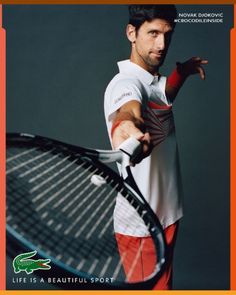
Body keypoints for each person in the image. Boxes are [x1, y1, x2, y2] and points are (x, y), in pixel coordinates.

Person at [104, 5, 208, 290]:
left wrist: (182, 73)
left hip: (167, 215)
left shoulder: (150, 82)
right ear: (131, 33)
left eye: (167, 35)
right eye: (152, 34)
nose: (162, 45)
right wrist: (130, 132)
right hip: (142, 226)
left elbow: (162, 95)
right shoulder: (124, 83)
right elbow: (128, 113)